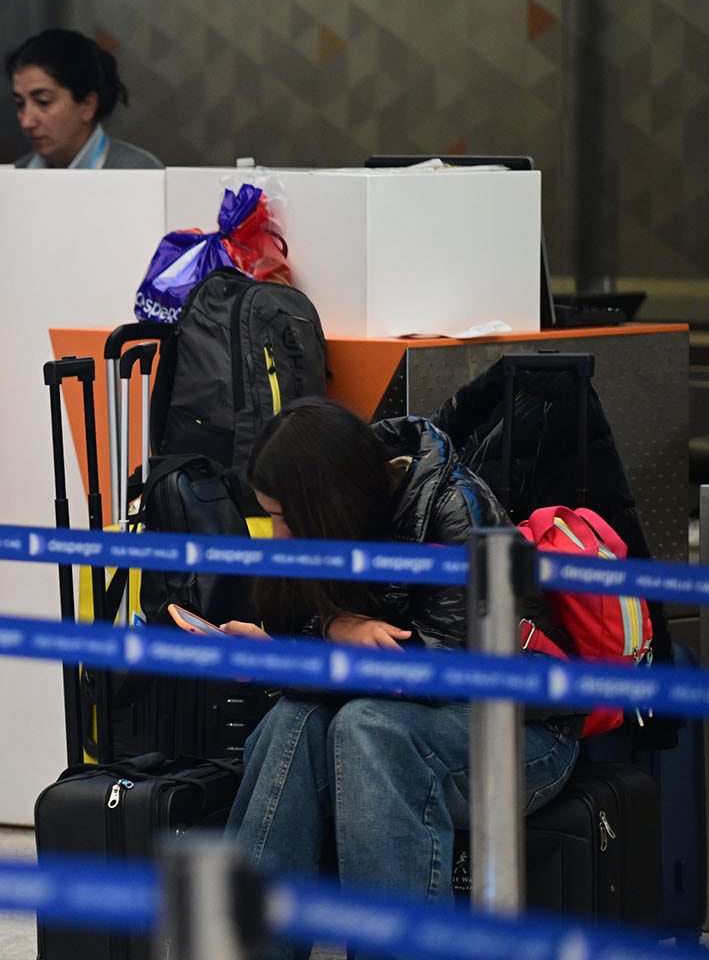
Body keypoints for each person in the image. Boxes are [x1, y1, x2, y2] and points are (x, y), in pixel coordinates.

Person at [220, 399, 580, 958]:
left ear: (326, 502)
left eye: (285, 516)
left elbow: (438, 670)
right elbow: (314, 635)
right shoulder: (337, 521)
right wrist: (327, 631)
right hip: (411, 720)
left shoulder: (455, 511)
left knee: (369, 728)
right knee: (295, 722)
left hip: (525, 731)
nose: (278, 534)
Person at [6, 27, 161, 169]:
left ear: (88, 106)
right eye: (20, 104)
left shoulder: (139, 173)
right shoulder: (15, 176)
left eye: (43, 102)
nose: (27, 122)